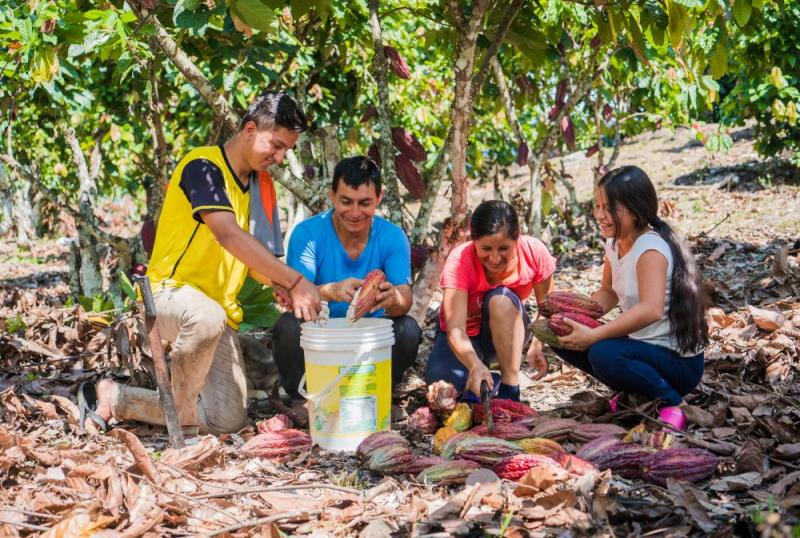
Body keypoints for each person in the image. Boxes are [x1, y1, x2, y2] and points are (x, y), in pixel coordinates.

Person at [80, 92, 322, 435]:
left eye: (288, 151)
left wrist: (295, 287)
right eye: (277, 145)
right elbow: (227, 233)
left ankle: (116, 398)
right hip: (168, 296)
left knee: (228, 421)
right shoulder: (203, 167)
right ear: (250, 129)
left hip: (218, 317)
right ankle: (176, 410)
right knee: (207, 317)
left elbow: (257, 267)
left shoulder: (261, 187)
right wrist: (296, 281)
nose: (280, 158)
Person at [551, 165, 708, 430]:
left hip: (677, 363)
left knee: (603, 353)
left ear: (634, 210)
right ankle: (634, 392)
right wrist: (572, 315)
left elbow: (651, 309)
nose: (599, 215)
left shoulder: (650, 248)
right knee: (558, 333)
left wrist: (594, 335)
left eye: (608, 208)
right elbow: (609, 293)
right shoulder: (614, 243)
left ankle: (672, 402)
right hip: (643, 348)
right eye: (597, 206)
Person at [272, 156, 422, 397]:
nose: (354, 212)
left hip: (369, 335)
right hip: (321, 333)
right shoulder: (308, 234)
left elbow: (404, 299)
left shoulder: (392, 237)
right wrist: (329, 291)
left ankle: (379, 391)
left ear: (379, 198)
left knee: (408, 330)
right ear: (332, 196)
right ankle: (302, 397)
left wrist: (391, 297)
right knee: (288, 327)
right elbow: (295, 297)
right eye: (345, 201)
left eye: (364, 203)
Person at [425, 200, 556, 401]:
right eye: (485, 248)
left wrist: (537, 345)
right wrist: (474, 364)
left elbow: (548, 309)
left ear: (517, 237)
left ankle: (510, 388)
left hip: (507, 329)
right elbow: (456, 329)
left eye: (504, 248)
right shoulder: (460, 260)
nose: (494, 258)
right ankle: (487, 380)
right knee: (443, 382)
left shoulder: (534, 252)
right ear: (473, 239)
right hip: (466, 335)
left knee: (500, 299)